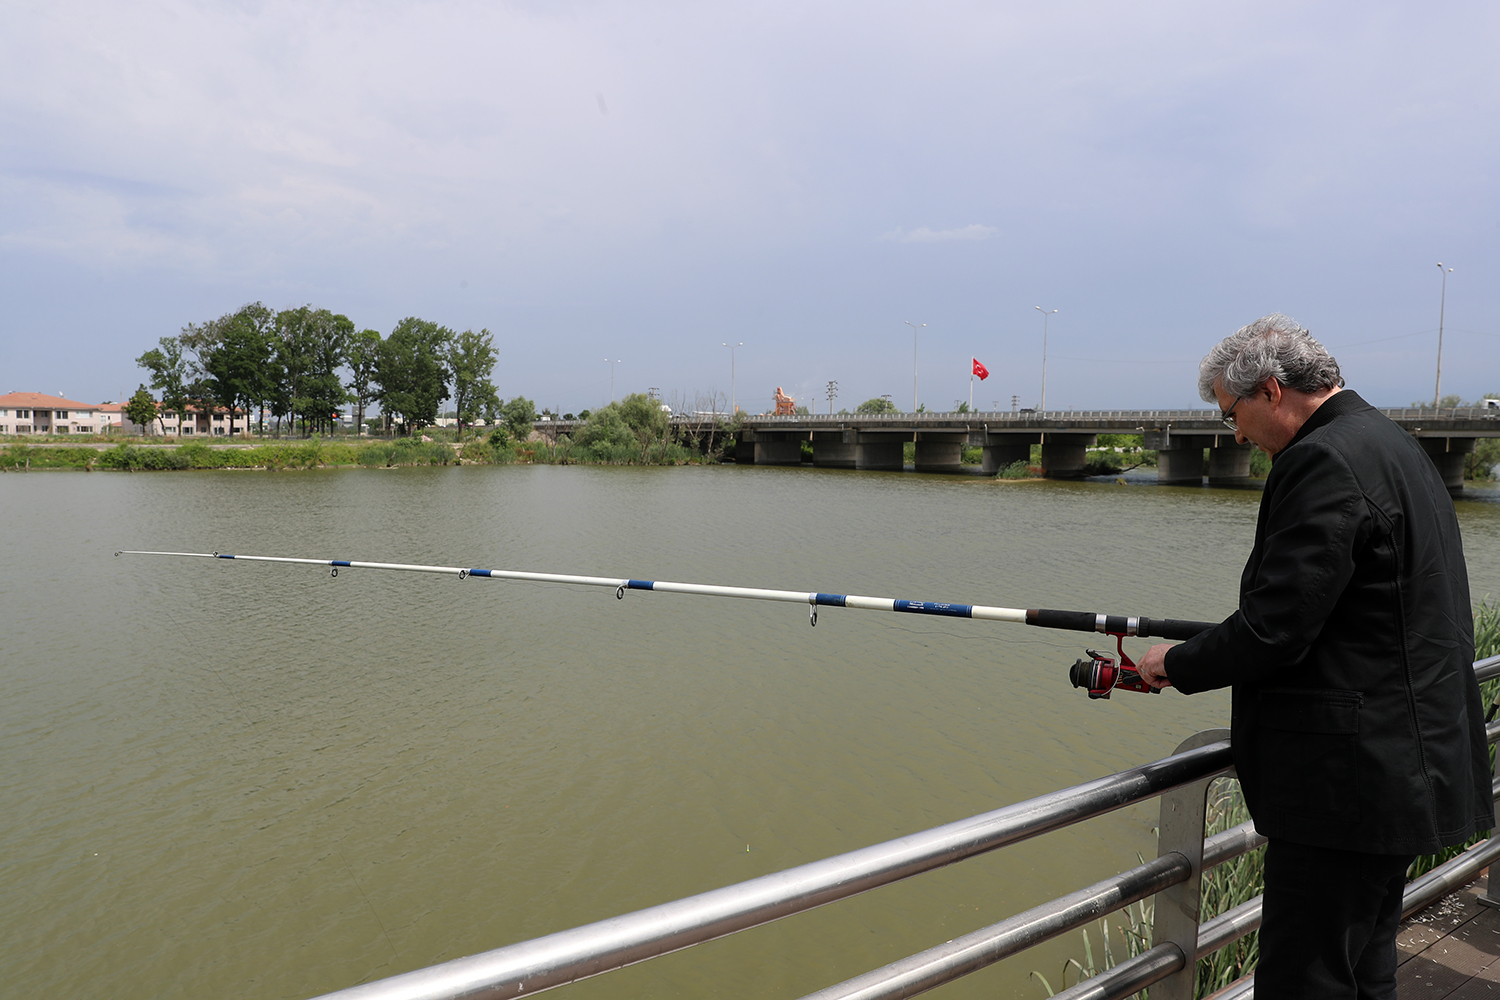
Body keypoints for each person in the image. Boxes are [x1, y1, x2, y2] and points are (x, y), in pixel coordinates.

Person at [1136, 314, 1493, 1000]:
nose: (1234, 434)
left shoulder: (1323, 459)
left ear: (1270, 390)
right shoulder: (1391, 443)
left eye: (1230, 412)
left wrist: (1173, 664)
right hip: (1402, 769)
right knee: (1363, 968)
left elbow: (1276, 626)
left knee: (1306, 978)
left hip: (1347, 783)